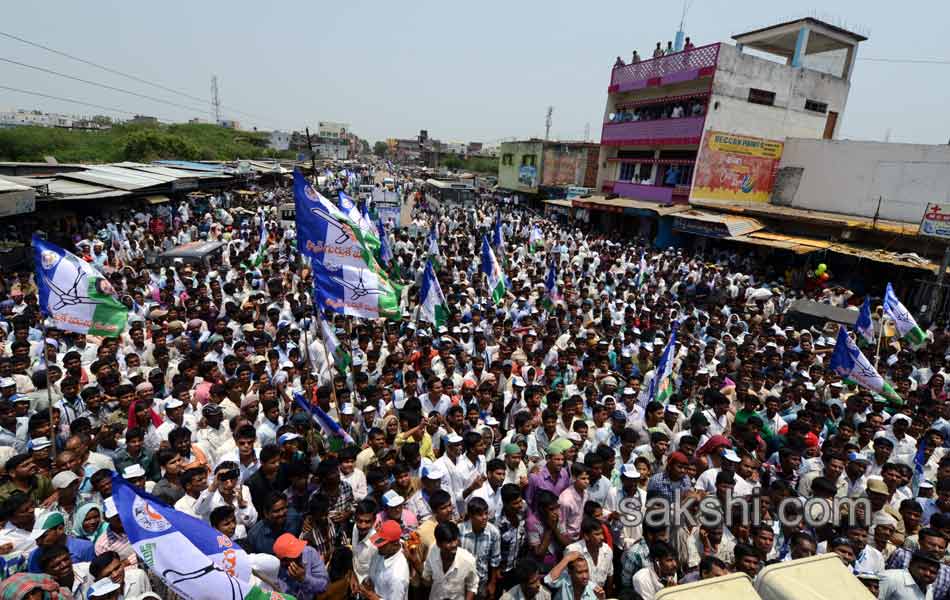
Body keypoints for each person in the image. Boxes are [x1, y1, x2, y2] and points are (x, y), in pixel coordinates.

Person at [422, 522, 479, 600]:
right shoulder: (433, 551)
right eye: (449, 541)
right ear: (438, 544)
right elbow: (427, 577)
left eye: (455, 539)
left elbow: (472, 586)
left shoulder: (468, 560)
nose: (454, 544)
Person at [360, 520, 410, 600]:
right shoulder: (382, 552)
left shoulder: (398, 576)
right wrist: (368, 581)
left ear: (395, 545)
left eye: (383, 544)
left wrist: (373, 597)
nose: (378, 546)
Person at [272, 532, 329, 599]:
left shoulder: (310, 553)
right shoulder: (276, 570)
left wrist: (304, 578)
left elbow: (324, 586)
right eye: (295, 555)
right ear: (284, 561)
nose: (300, 555)